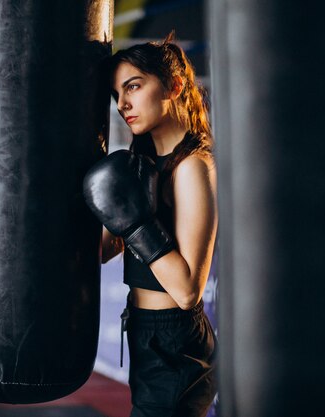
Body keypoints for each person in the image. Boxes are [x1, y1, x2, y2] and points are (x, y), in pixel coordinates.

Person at [83, 32, 217, 417]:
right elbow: (106, 250)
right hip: (146, 330)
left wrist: (137, 224)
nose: (123, 104)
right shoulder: (141, 165)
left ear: (173, 87)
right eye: (118, 93)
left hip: (176, 341)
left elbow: (188, 291)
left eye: (134, 87)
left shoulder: (193, 166)